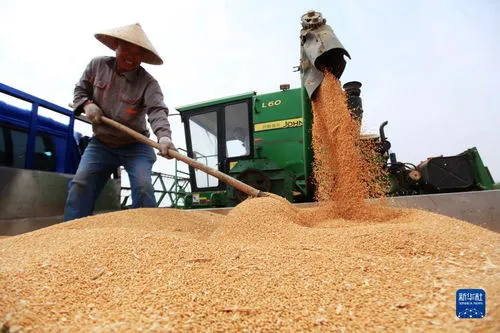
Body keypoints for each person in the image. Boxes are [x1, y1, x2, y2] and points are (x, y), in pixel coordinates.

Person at [64, 23, 176, 221]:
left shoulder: (148, 83)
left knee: (143, 186)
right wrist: (87, 105)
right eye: (127, 49)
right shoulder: (97, 66)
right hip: (102, 143)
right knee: (81, 183)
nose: (131, 57)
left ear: (142, 57)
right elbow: (80, 91)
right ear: (116, 45)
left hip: (136, 146)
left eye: (138, 53)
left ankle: (148, 232)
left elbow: (157, 111)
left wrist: (164, 137)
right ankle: (72, 230)